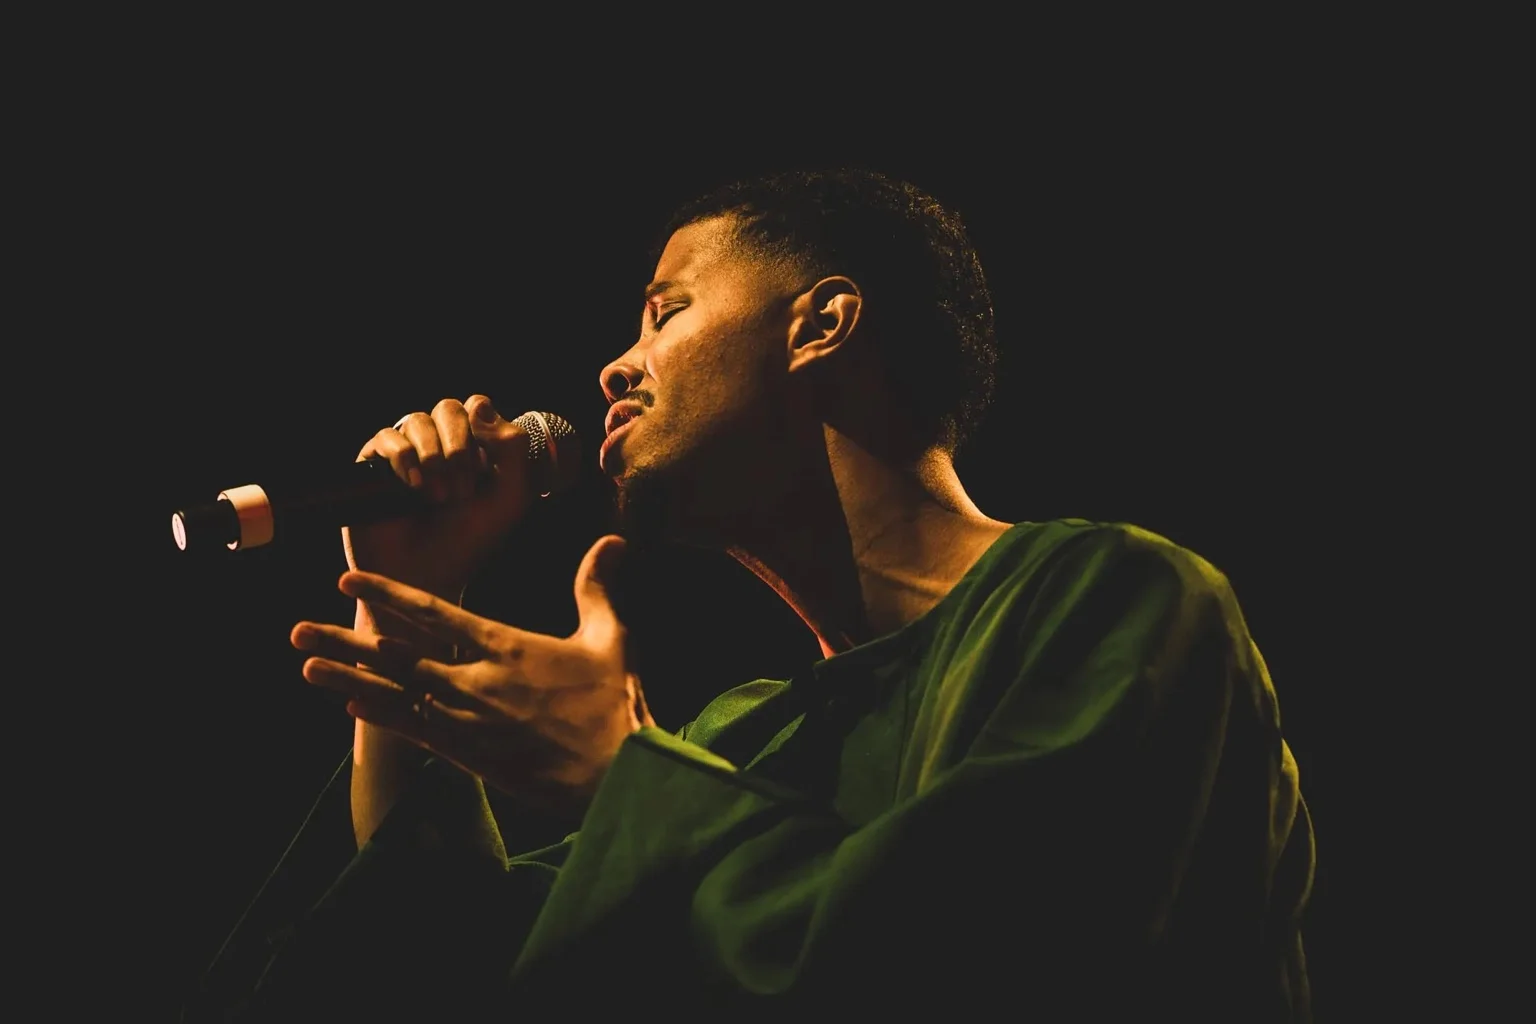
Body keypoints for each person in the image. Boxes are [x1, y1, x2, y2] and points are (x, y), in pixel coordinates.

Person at [195, 168, 1314, 1019]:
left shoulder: (1115, 599)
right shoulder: (741, 739)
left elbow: (994, 966)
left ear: (821, 324)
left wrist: (624, 778)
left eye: (666, 311)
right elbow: (449, 978)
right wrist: (402, 599)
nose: (615, 366)